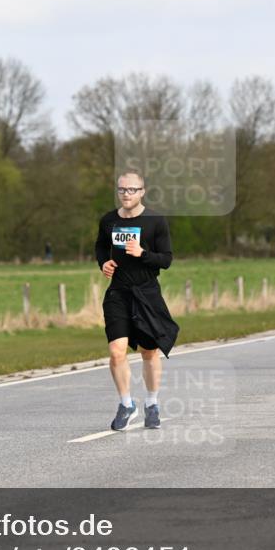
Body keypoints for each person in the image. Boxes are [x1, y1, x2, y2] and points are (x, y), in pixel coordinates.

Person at [95, 171, 178, 431]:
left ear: (142, 191)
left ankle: (152, 404)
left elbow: (166, 259)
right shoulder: (108, 220)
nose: (126, 194)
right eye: (122, 190)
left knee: (149, 352)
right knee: (116, 351)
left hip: (147, 293)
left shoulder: (155, 221)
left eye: (132, 190)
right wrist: (103, 263)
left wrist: (143, 254)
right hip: (118, 293)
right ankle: (126, 403)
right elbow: (100, 246)